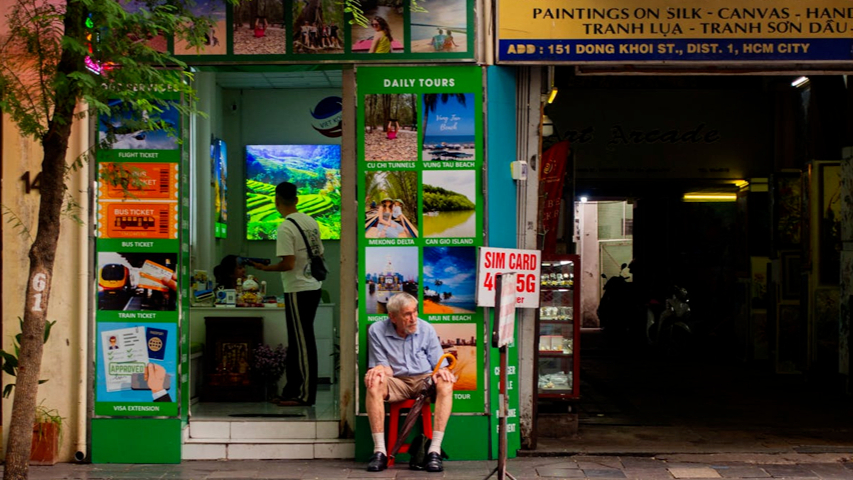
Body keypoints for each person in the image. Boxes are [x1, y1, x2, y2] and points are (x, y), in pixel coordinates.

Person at [364, 292, 456, 472]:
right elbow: (385, 368)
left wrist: (442, 373)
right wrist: (378, 370)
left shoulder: (426, 328)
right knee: (374, 382)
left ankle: (434, 451)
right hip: (396, 381)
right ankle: (380, 451)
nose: (413, 318)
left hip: (424, 379)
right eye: (407, 314)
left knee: (446, 383)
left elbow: (438, 365)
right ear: (392, 316)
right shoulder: (377, 330)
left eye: (415, 312)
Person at [251, 182, 324, 407]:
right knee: (297, 341)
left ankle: (305, 395)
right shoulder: (310, 221)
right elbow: (319, 252)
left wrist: (265, 269)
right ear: (297, 199)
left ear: (276, 200)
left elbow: (288, 264)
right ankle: (292, 390)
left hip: (297, 288)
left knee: (303, 343)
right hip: (314, 286)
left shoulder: (286, 227)